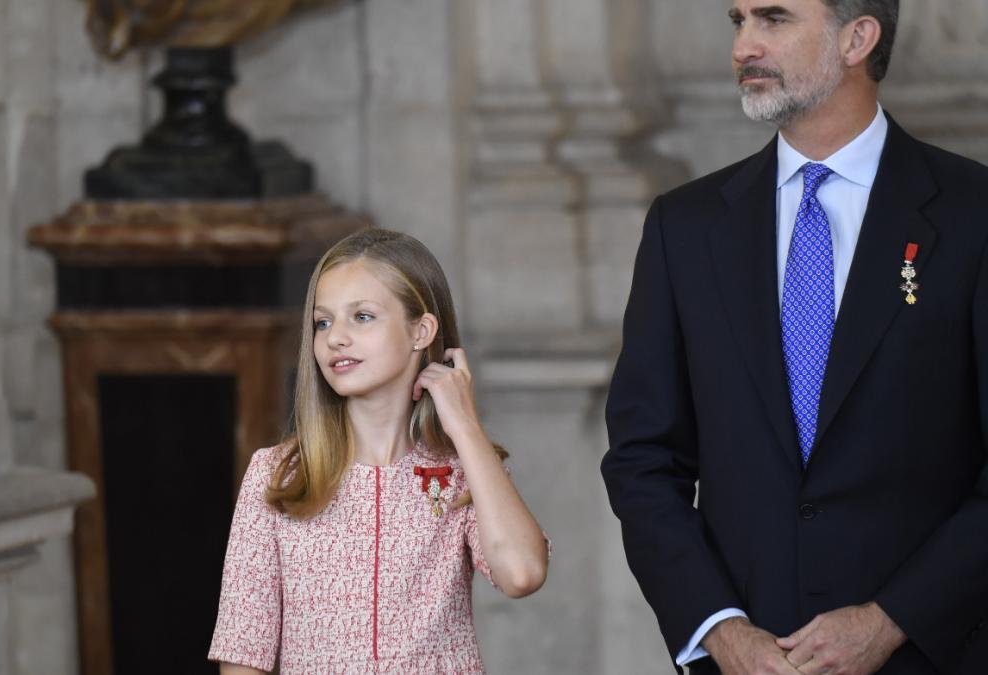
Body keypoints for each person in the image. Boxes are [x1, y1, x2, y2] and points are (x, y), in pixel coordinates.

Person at [601, 1, 988, 673]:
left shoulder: (972, 214)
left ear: (857, 38)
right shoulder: (685, 227)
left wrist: (892, 619)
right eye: (738, 21)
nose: (743, 46)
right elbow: (643, 461)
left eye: (774, 19)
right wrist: (720, 630)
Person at [208, 229, 550, 674]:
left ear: (420, 331)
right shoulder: (277, 475)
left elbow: (522, 573)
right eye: (323, 322)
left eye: (362, 317)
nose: (336, 339)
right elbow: (242, 654)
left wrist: (466, 428)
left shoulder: (464, 471)